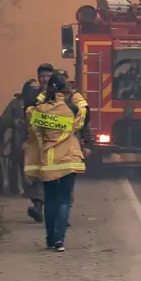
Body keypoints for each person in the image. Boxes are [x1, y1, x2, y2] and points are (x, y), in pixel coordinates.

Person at [23, 72, 85, 251]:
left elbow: (28, 111)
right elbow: (84, 112)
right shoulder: (71, 110)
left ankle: (50, 239)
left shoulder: (40, 111)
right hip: (69, 160)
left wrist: (43, 95)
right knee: (64, 200)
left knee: (50, 200)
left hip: (49, 161)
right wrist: (75, 94)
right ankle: (60, 241)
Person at [22, 64, 53, 222]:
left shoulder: (58, 94)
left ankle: (53, 211)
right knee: (32, 175)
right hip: (34, 140)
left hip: (53, 141)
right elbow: (26, 114)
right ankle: (38, 206)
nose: (45, 79)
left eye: (48, 76)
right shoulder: (32, 94)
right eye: (42, 76)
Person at [0, 89, 25, 196]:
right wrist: (13, 122)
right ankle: (15, 187)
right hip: (19, 144)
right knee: (16, 163)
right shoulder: (16, 103)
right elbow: (3, 120)